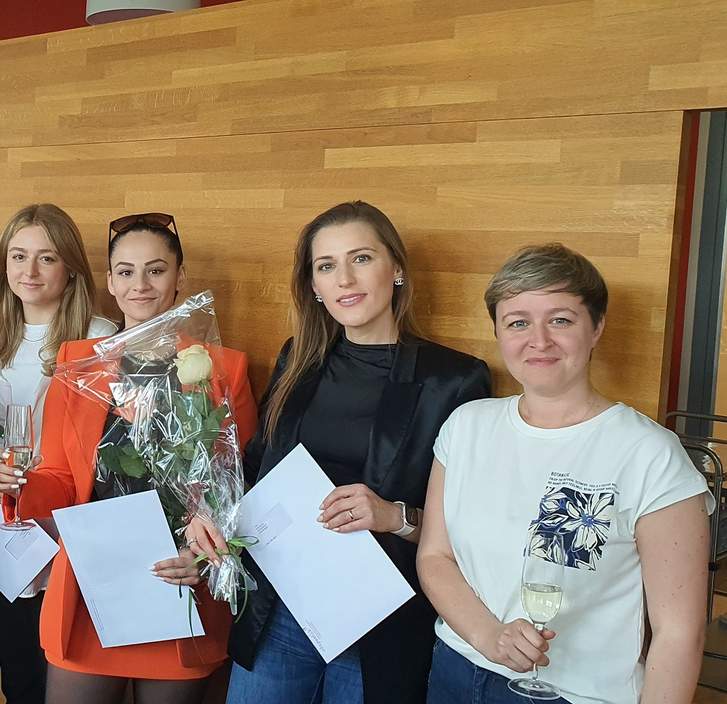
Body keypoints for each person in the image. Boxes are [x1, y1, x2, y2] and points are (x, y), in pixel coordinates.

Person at [417, 243, 709, 704]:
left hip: (573, 694)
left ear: (596, 327)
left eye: (560, 320)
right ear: (498, 332)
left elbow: (679, 633)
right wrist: (489, 636)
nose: (539, 340)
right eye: (518, 322)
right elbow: (436, 557)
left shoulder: (649, 454)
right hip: (456, 669)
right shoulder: (466, 426)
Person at [223, 201, 490, 704]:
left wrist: (394, 515)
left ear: (397, 269)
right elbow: (255, 467)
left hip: (381, 623)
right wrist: (211, 519)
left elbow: (475, 524)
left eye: (361, 258)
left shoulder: (454, 379)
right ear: (314, 287)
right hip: (280, 608)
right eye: (326, 266)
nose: (344, 279)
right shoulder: (297, 360)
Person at [0, 213, 256, 704]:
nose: (140, 285)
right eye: (126, 272)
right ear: (109, 281)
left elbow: (236, 489)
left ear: (180, 277)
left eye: (156, 270)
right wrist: (19, 483)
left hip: (178, 579)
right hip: (93, 580)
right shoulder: (76, 362)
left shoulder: (224, 368)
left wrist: (203, 554)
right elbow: (61, 478)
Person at [0, 204, 117, 704]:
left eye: (47, 257)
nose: (30, 271)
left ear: (71, 268)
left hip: (64, 531)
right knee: (18, 679)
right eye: (18, 256)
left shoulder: (100, 338)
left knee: (61, 682)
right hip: (0, 531)